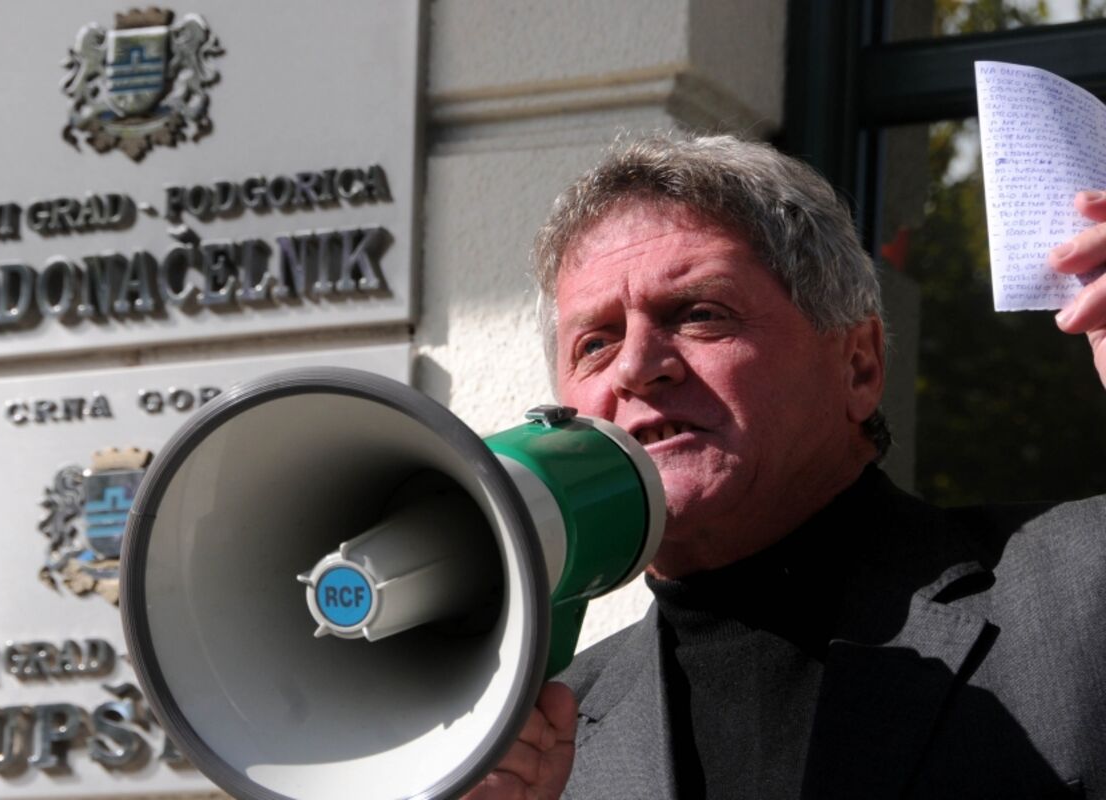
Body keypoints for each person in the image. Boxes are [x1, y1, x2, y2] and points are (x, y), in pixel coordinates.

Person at [464, 134, 1106, 799]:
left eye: (700, 314)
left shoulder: (1086, 587)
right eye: (596, 343)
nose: (635, 366)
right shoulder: (537, 745)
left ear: (859, 366)